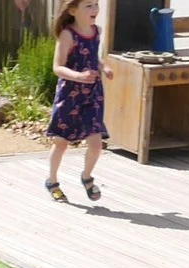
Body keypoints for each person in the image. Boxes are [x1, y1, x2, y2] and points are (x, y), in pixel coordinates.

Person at [43, 0, 108, 203]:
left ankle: (87, 177)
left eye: (96, 4)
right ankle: (52, 181)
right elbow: (58, 67)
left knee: (96, 143)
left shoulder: (97, 31)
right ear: (73, 11)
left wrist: (104, 67)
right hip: (69, 95)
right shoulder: (67, 35)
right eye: (88, 5)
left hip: (92, 95)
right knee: (61, 143)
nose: (95, 10)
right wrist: (78, 76)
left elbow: (92, 56)